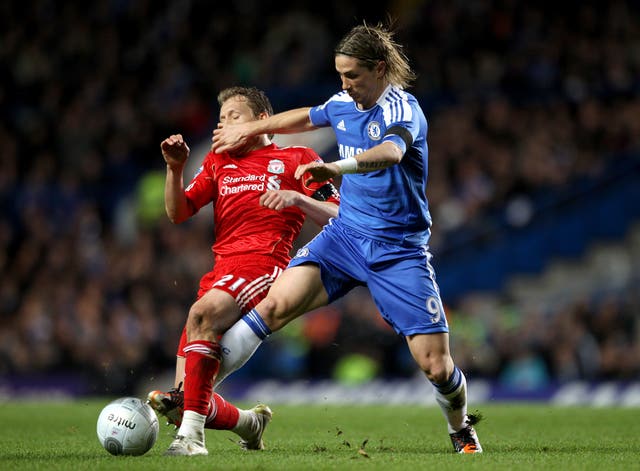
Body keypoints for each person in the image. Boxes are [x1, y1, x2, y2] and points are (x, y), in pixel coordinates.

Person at [209, 22, 483, 454]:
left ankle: (460, 425)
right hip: (345, 236)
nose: (345, 84)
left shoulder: (403, 109)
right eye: (340, 75)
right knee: (274, 306)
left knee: (435, 365)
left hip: (398, 250)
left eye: (352, 75)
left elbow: (391, 153)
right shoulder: (342, 101)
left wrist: (337, 167)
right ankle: (191, 399)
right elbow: (306, 115)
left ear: (378, 69)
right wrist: (248, 131)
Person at [149, 86, 340, 456]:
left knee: (201, 315)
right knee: (180, 403)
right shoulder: (219, 163)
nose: (223, 126)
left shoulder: (296, 158)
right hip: (220, 272)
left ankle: (191, 441)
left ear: (261, 121)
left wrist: (298, 198)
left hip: (263, 266)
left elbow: (339, 213)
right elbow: (178, 213)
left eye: (233, 117)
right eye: (220, 119)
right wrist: (174, 169)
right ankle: (250, 424)